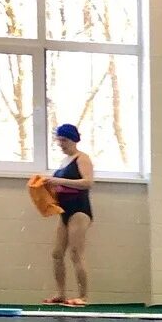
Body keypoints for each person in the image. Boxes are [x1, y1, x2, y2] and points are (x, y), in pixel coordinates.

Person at [46, 123, 95, 306]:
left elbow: (88, 182)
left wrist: (58, 180)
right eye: (59, 140)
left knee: (76, 253)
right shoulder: (64, 162)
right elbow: (63, 186)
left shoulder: (82, 159)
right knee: (57, 253)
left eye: (64, 140)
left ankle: (83, 296)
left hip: (80, 210)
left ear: (73, 139)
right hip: (64, 211)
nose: (61, 144)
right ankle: (61, 293)